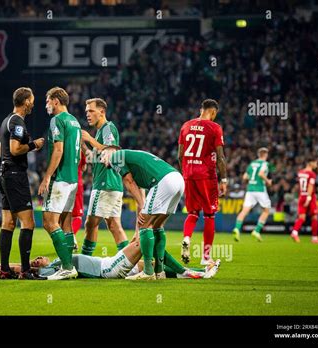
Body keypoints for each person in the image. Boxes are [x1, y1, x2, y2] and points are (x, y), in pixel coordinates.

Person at [102, 147, 184, 281]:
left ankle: (148, 272)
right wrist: (142, 206)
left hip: (163, 181)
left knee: (145, 226)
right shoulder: (131, 158)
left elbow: (129, 182)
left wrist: (142, 205)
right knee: (157, 227)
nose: (101, 158)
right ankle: (159, 271)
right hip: (177, 179)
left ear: (112, 150)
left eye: (103, 154)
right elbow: (138, 188)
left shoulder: (115, 156)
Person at [0, 235, 221, 280]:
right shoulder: (52, 271)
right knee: (145, 240)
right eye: (36, 262)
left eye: (38, 258)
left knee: (149, 250)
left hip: (111, 261)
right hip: (108, 270)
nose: (38, 259)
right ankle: (191, 272)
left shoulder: (60, 261)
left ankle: (199, 269)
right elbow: (26, 269)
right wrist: (0, 268)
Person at [0, 87, 45, 280]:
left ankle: (4, 270)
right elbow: (15, 149)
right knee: (29, 223)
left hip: (4, 175)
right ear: (26, 102)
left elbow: (2, 150)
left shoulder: (6, 120)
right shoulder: (17, 122)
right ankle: (25, 271)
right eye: (32, 100)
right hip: (15, 176)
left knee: (8, 223)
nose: (33, 103)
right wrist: (34, 145)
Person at [38, 87, 82, 280]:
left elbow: (58, 150)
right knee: (65, 224)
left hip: (60, 179)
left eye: (47, 100)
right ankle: (67, 263)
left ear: (56, 100)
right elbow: (78, 153)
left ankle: (67, 267)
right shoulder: (75, 121)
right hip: (73, 180)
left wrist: (47, 176)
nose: (46, 105)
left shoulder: (57, 120)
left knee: (49, 222)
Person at [178, 99, 227, 265]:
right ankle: (206, 257)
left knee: (192, 213)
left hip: (188, 174)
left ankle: (186, 238)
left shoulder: (185, 126)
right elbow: (220, 157)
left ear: (201, 109)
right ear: (213, 112)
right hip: (206, 175)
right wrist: (224, 179)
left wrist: (185, 173)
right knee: (209, 214)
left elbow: (180, 155)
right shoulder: (215, 128)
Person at [80, 98, 129, 256]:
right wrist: (83, 144)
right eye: (86, 111)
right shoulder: (101, 131)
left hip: (104, 185)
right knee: (115, 226)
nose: (88, 114)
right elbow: (93, 157)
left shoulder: (108, 128)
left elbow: (111, 151)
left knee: (90, 224)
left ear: (102, 112)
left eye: (91, 111)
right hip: (114, 185)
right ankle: (128, 261)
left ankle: (84, 260)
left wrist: (90, 139)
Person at [232, 147, 272, 242]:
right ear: (265, 155)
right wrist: (268, 181)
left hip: (250, 190)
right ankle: (257, 231)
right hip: (260, 190)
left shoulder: (252, 164)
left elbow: (245, 177)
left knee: (244, 211)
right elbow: (261, 174)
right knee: (266, 211)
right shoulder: (265, 164)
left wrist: (252, 180)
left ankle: (237, 228)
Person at [290, 158, 318, 243]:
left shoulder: (300, 172)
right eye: (315, 162)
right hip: (309, 197)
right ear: (310, 163)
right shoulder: (312, 174)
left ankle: (294, 232)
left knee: (302, 217)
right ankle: (314, 238)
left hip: (301, 196)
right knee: (314, 217)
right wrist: (309, 198)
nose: (316, 164)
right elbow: (310, 186)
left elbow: (299, 186)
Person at [71, 151, 87, 251]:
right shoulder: (79, 150)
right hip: (76, 183)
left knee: (64, 215)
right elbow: (84, 167)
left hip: (62, 183)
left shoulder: (61, 146)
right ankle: (71, 238)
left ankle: (68, 239)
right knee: (77, 216)